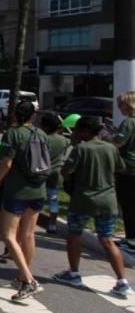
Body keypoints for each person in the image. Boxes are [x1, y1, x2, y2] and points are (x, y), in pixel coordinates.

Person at [54, 116, 133, 298]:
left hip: (83, 200)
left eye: (77, 130)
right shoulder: (111, 148)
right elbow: (120, 167)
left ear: (86, 131)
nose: (74, 133)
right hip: (108, 201)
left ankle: (74, 273)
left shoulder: (81, 149)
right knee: (107, 240)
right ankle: (122, 282)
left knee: (74, 235)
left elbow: (66, 171)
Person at [0, 100, 46, 301]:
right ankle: (24, 275)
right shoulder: (41, 134)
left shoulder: (12, 134)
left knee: (8, 235)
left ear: (15, 114)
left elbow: (6, 163)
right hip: (37, 189)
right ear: (33, 115)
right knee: (28, 235)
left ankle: (28, 280)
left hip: (17, 191)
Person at [41, 112, 71, 235]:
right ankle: (52, 225)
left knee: (38, 198)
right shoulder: (64, 140)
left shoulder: (43, 139)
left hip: (42, 171)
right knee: (53, 199)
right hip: (57, 172)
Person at [112, 90, 135, 251]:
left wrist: (107, 138)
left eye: (121, 104)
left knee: (128, 205)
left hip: (127, 169)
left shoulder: (128, 123)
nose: (119, 107)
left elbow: (117, 144)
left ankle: (131, 239)